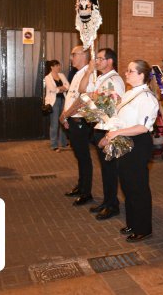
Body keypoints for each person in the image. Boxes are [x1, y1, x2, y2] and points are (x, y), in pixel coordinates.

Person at [98, 60, 158, 242]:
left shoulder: (147, 98)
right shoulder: (130, 93)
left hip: (138, 144)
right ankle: (133, 223)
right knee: (127, 185)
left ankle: (143, 228)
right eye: (127, 70)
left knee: (138, 188)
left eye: (131, 71)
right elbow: (120, 118)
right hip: (124, 141)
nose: (126, 73)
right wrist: (109, 133)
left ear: (141, 75)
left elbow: (143, 127)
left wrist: (117, 132)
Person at [79, 48, 126, 220]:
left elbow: (115, 106)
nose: (97, 61)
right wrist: (89, 71)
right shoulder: (100, 78)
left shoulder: (115, 80)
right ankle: (107, 201)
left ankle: (113, 205)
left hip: (108, 129)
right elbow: (82, 89)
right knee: (105, 169)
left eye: (100, 59)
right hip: (98, 126)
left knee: (110, 169)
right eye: (96, 58)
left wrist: (95, 105)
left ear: (110, 61)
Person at [60, 46, 94, 205]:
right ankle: (81, 187)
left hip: (80, 121)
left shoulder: (89, 74)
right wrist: (64, 113)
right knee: (79, 157)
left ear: (83, 55)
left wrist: (67, 114)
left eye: (73, 54)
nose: (71, 57)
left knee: (84, 158)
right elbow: (71, 97)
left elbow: (82, 100)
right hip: (72, 119)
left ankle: (86, 192)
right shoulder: (78, 73)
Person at [44, 60, 70, 151]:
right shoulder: (47, 77)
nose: (58, 67)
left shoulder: (61, 75)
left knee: (63, 121)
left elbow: (68, 86)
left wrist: (59, 89)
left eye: (59, 65)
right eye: (56, 65)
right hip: (53, 102)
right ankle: (54, 145)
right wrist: (62, 89)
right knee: (54, 123)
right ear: (52, 67)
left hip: (63, 100)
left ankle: (63, 142)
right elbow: (52, 89)